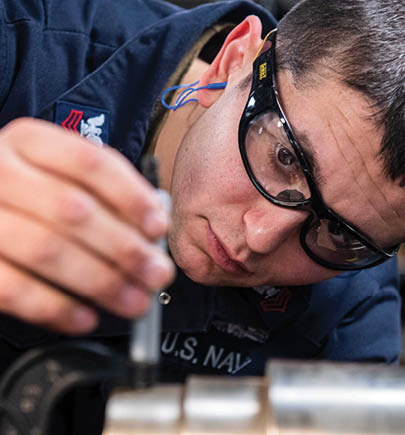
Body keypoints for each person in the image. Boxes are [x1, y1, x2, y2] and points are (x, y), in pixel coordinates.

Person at [0, 0, 402, 432]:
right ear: (233, 63)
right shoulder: (21, 46)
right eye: (285, 157)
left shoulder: (347, 323)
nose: (262, 236)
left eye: (340, 233)